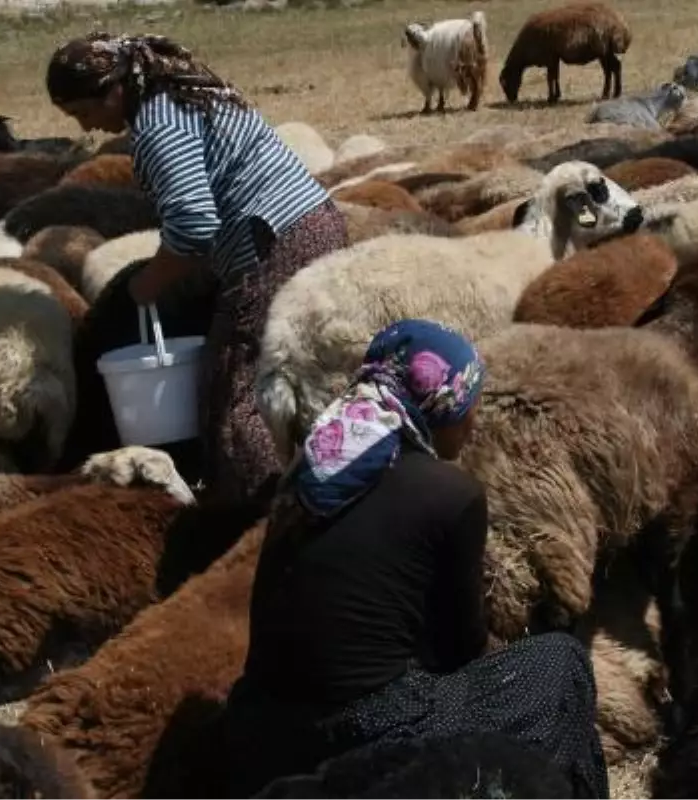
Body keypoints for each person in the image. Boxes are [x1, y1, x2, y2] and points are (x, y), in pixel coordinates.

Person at [222, 318, 610, 800]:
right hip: (360, 732)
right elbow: (459, 649)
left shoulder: (318, 462)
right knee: (560, 663)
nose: (474, 420)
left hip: (259, 727)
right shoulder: (453, 494)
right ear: (440, 407)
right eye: (469, 405)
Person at [45, 32, 349, 507]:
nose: (89, 127)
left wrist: (149, 284)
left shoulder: (159, 124)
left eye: (85, 112)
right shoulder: (181, 96)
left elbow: (193, 223)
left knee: (235, 393)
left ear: (114, 90)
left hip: (274, 241)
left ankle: (262, 522)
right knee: (290, 376)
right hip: (306, 224)